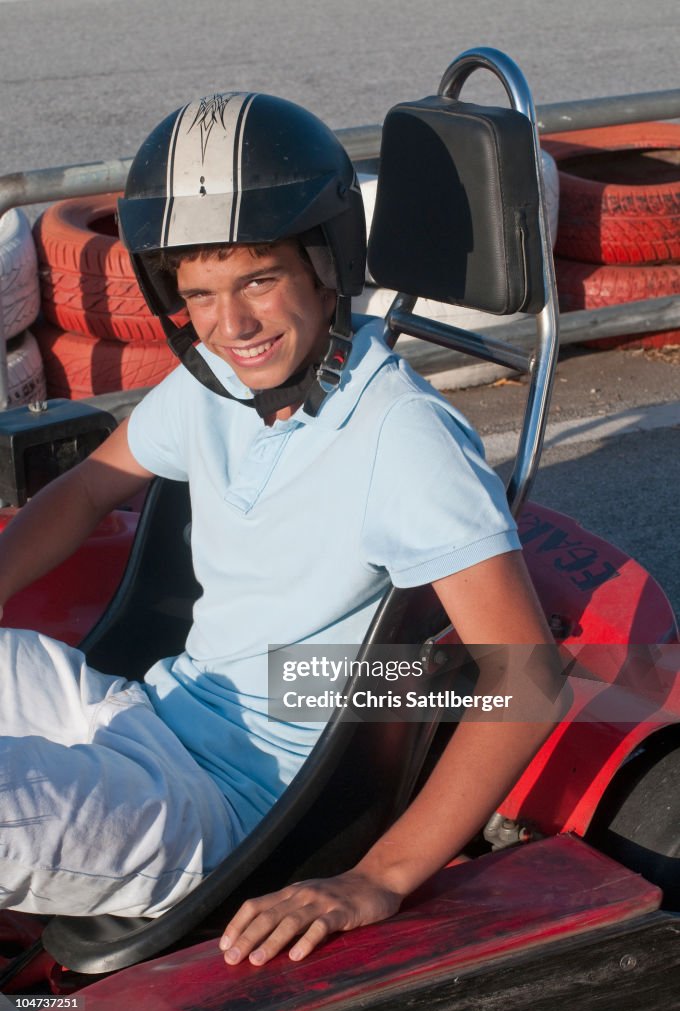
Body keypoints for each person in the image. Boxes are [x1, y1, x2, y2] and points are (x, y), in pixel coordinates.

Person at [0, 92, 562, 963]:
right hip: (147, 707)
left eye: (259, 280)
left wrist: (376, 879)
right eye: (202, 295)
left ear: (324, 266)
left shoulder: (403, 440)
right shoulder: (217, 380)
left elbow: (525, 676)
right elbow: (83, 492)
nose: (235, 325)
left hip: (214, 806)